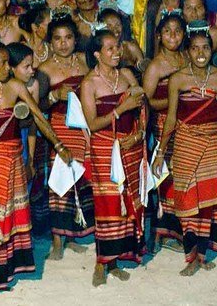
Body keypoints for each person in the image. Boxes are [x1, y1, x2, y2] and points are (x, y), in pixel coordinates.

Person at [0, 42, 70, 293]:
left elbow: (39, 118)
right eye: (1, 63)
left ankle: (12, 267)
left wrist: (58, 144)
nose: (7, 68)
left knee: (14, 216)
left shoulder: (14, 86)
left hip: (14, 162)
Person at [154, 22, 217, 276]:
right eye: (195, 47)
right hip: (186, 144)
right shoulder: (177, 80)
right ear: (187, 51)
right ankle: (190, 257)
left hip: (213, 144)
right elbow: (172, 118)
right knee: (186, 201)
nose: (200, 52)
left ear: (212, 49)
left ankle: (203, 255)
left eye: (206, 47)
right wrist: (161, 152)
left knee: (210, 203)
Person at [77, 29, 147, 286]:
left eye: (117, 47)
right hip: (105, 150)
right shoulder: (89, 84)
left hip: (130, 146)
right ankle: (101, 261)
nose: (116, 52)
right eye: (110, 49)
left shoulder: (128, 75)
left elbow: (142, 111)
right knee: (108, 205)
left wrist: (138, 135)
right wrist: (120, 110)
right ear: (97, 54)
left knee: (128, 203)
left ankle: (118, 259)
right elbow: (92, 124)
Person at [40, 16, 94, 258]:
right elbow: (36, 105)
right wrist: (54, 97)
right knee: (60, 183)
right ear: (50, 42)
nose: (63, 44)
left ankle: (72, 234)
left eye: (68, 38)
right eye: (58, 39)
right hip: (59, 127)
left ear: (76, 39)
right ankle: (57, 241)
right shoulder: (44, 69)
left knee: (79, 180)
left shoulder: (85, 62)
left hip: (82, 127)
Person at [142, 12, 187, 251]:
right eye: (167, 31)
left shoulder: (187, 58)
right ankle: (164, 231)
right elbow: (146, 102)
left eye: (178, 31)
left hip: (185, 124)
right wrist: (173, 101)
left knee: (183, 174)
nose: (173, 36)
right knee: (166, 175)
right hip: (163, 125)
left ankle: (181, 228)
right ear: (159, 35)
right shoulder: (156, 65)